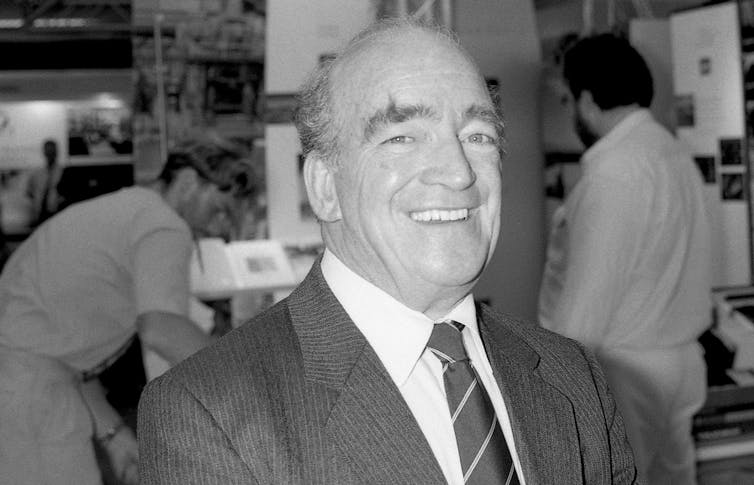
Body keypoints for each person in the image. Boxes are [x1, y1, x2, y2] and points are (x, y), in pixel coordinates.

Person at [138, 19, 638, 484]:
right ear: (325, 187)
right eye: (402, 137)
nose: (459, 172)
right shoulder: (207, 413)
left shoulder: (572, 374)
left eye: (478, 136)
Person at [0, 147, 248, 485]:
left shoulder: (126, 209)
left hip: (27, 388)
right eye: (219, 209)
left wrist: (113, 433)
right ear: (189, 182)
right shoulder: (165, 224)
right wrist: (248, 387)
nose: (218, 227)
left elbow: (61, 354)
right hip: (32, 401)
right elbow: (161, 328)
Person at [538, 33, 711, 485]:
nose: (571, 113)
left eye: (568, 99)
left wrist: (552, 386)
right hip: (680, 362)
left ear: (587, 100)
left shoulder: (616, 173)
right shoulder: (672, 152)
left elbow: (588, 301)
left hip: (628, 373)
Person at [26, 138, 64, 227]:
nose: (50, 154)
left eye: (52, 151)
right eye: (48, 151)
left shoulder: (62, 172)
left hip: (57, 213)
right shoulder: (37, 173)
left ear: (56, 152)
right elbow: (29, 192)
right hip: (40, 214)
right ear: (44, 152)